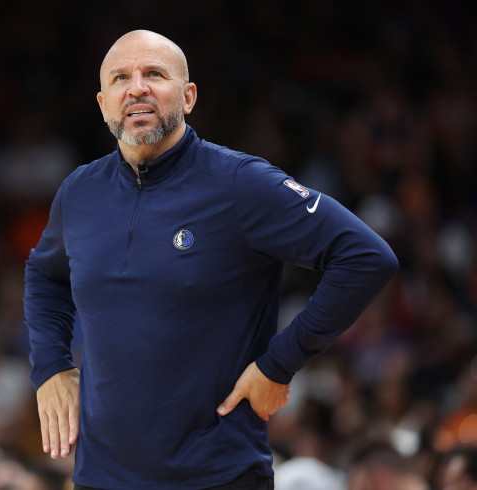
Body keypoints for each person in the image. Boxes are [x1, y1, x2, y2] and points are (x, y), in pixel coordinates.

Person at [23, 29, 398, 490]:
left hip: (218, 475)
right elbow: (44, 275)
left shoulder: (240, 184)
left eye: (154, 74)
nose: (136, 87)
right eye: (121, 78)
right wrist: (51, 367)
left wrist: (279, 363)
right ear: (103, 105)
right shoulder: (79, 192)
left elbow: (366, 257)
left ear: (188, 97)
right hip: (101, 477)